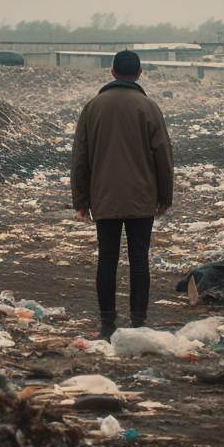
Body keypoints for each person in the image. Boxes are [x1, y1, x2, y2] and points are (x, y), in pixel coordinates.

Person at [70, 50, 174, 339]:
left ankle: (107, 323)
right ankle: (138, 321)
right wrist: (165, 197)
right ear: (139, 73)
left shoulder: (93, 108)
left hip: (104, 197)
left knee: (107, 258)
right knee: (139, 259)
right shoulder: (149, 107)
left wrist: (80, 200)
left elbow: (81, 156)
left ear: (113, 72)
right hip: (142, 198)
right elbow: (163, 156)